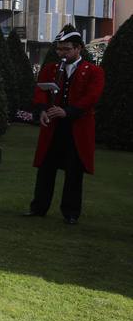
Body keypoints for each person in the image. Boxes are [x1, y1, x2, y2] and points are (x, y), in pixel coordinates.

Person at [24, 27, 105, 225]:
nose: (62, 53)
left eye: (66, 49)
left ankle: (70, 212)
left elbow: (92, 97)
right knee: (46, 168)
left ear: (78, 49)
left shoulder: (93, 71)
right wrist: (43, 110)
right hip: (53, 126)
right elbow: (40, 91)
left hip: (77, 127)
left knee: (74, 171)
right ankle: (39, 207)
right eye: (59, 49)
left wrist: (68, 111)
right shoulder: (50, 69)